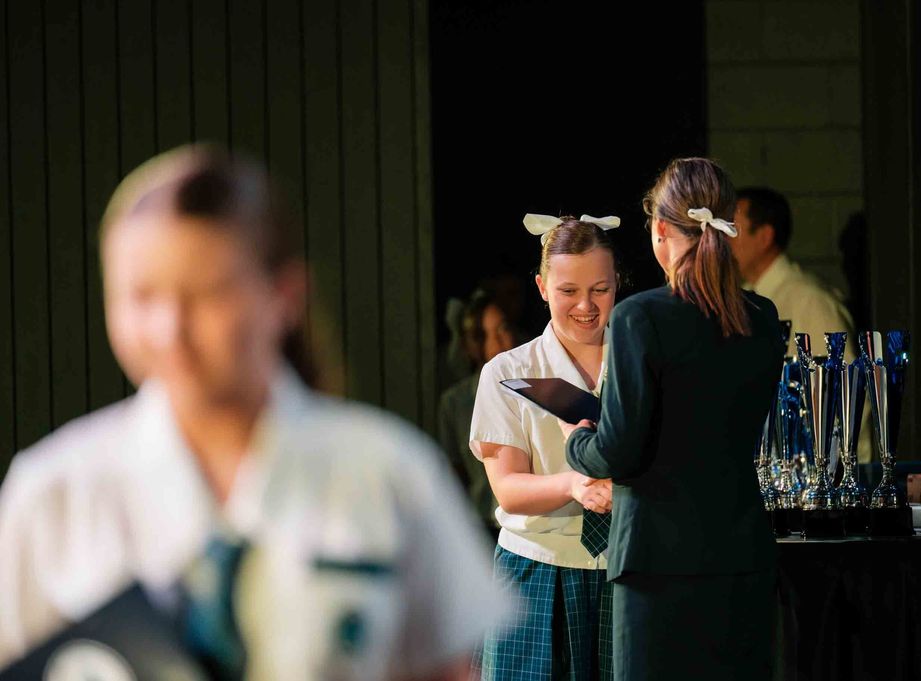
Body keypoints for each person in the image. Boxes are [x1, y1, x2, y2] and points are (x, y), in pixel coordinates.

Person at [0, 145, 505, 680]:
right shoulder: (52, 492)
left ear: (284, 294)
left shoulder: (389, 473)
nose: (170, 330)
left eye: (207, 293)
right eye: (141, 296)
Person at [562, 159, 783, 680]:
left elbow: (619, 451)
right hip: (741, 556)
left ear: (660, 229)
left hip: (655, 562)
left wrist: (578, 441)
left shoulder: (640, 316)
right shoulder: (762, 317)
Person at [469, 214, 620, 680]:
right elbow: (508, 489)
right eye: (568, 291)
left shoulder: (641, 362)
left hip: (626, 569)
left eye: (600, 289)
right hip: (538, 571)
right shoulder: (509, 372)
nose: (586, 306)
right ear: (541, 287)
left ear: (617, 283)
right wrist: (574, 484)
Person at [729, 187, 855, 359]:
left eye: (732, 230)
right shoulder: (743, 300)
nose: (722, 241)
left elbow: (839, 374)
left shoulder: (810, 303)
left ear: (764, 237)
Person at [438, 289, 516, 539]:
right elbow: (455, 473)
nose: (496, 342)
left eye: (502, 329)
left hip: (525, 522)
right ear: (468, 345)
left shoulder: (533, 389)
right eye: (482, 335)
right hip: (481, 524)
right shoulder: (455, 403)